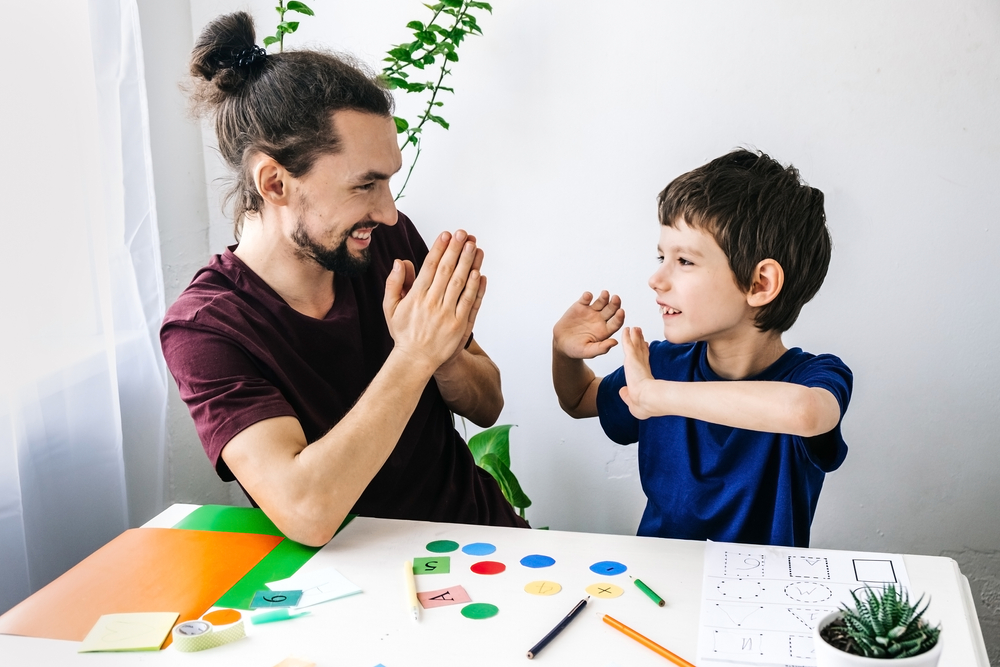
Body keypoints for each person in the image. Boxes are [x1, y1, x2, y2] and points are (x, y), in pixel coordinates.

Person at [161, 12, 526, 547]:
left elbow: (486, 402)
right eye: (365, 185)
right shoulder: (206, 330)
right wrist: (414, 355)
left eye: (388, 182)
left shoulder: (389, 246)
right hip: (352, 593)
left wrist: (445, 351)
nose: (389, 213)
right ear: (275, 182)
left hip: (486, 543)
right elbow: (306, 511)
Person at [552, 149, 852, 547]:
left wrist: (657, 395)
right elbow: (578, 399)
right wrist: (563, 352)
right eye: (662, 256)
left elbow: (804, 412)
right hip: (658, 588)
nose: (656, 279)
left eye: (685, 261)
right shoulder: (659, 363)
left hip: (761, 599)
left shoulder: (815, 378)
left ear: (759, 284)